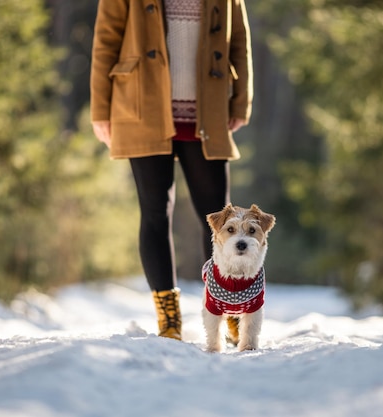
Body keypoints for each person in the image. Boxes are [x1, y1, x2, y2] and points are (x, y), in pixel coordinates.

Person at [90, 0, 253, 341]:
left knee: (218, 216)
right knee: (154, 213)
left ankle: (229, 306)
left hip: (206, 113)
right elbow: (106, 39)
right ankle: (169, 318)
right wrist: (100, 110)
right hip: (141, 108)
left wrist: (241, 101)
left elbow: (238, 37)